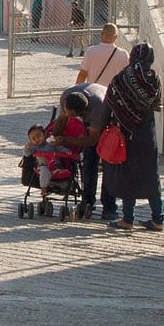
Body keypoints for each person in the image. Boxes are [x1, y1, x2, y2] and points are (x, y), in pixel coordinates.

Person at [103, 42, 164, 230]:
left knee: (127, 176)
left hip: (126, 134)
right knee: (151, 175)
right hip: (147, 134)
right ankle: (158, 219)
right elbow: (155, 103)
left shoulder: (121, 78)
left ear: (131, 56)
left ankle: (127, 219)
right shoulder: (154, 79)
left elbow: (110, 102)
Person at [60, 81, 116, 221]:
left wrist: (65, 140)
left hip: (110, 123)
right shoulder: (67, 96)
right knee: (88, 163)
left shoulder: (98, 108)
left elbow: (92, 139)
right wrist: (54, 138)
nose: (69, 116)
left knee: (108, 165)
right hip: (91, 114)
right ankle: (87, 200)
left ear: (82, 113)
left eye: (74, 116)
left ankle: (109, 206)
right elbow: (61, 120)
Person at [77, 22, 130, 87]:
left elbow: (83, 74)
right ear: (116, 37)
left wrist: (76, 89)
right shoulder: (123, 54)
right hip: (113, 91)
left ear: (102, 34)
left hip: (94, 90)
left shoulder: (90, 51)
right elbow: (127, 76)